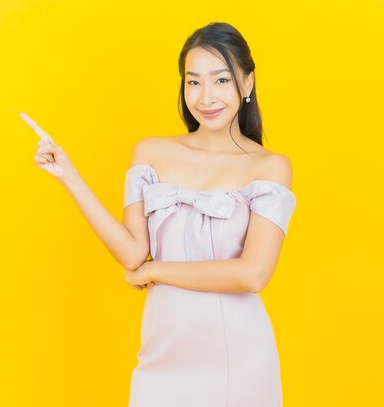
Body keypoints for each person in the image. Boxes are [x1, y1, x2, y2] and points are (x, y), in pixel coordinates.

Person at [30, 21, 297, 407]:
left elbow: (253, 274)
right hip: (162, 353)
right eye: (193, 82)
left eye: (221, 80)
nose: (206, 96)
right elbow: (133, 253)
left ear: (247, 83)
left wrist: (158, 271)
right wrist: (68, 175)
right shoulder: (151, 153)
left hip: (236, 359)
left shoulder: (270, 167)